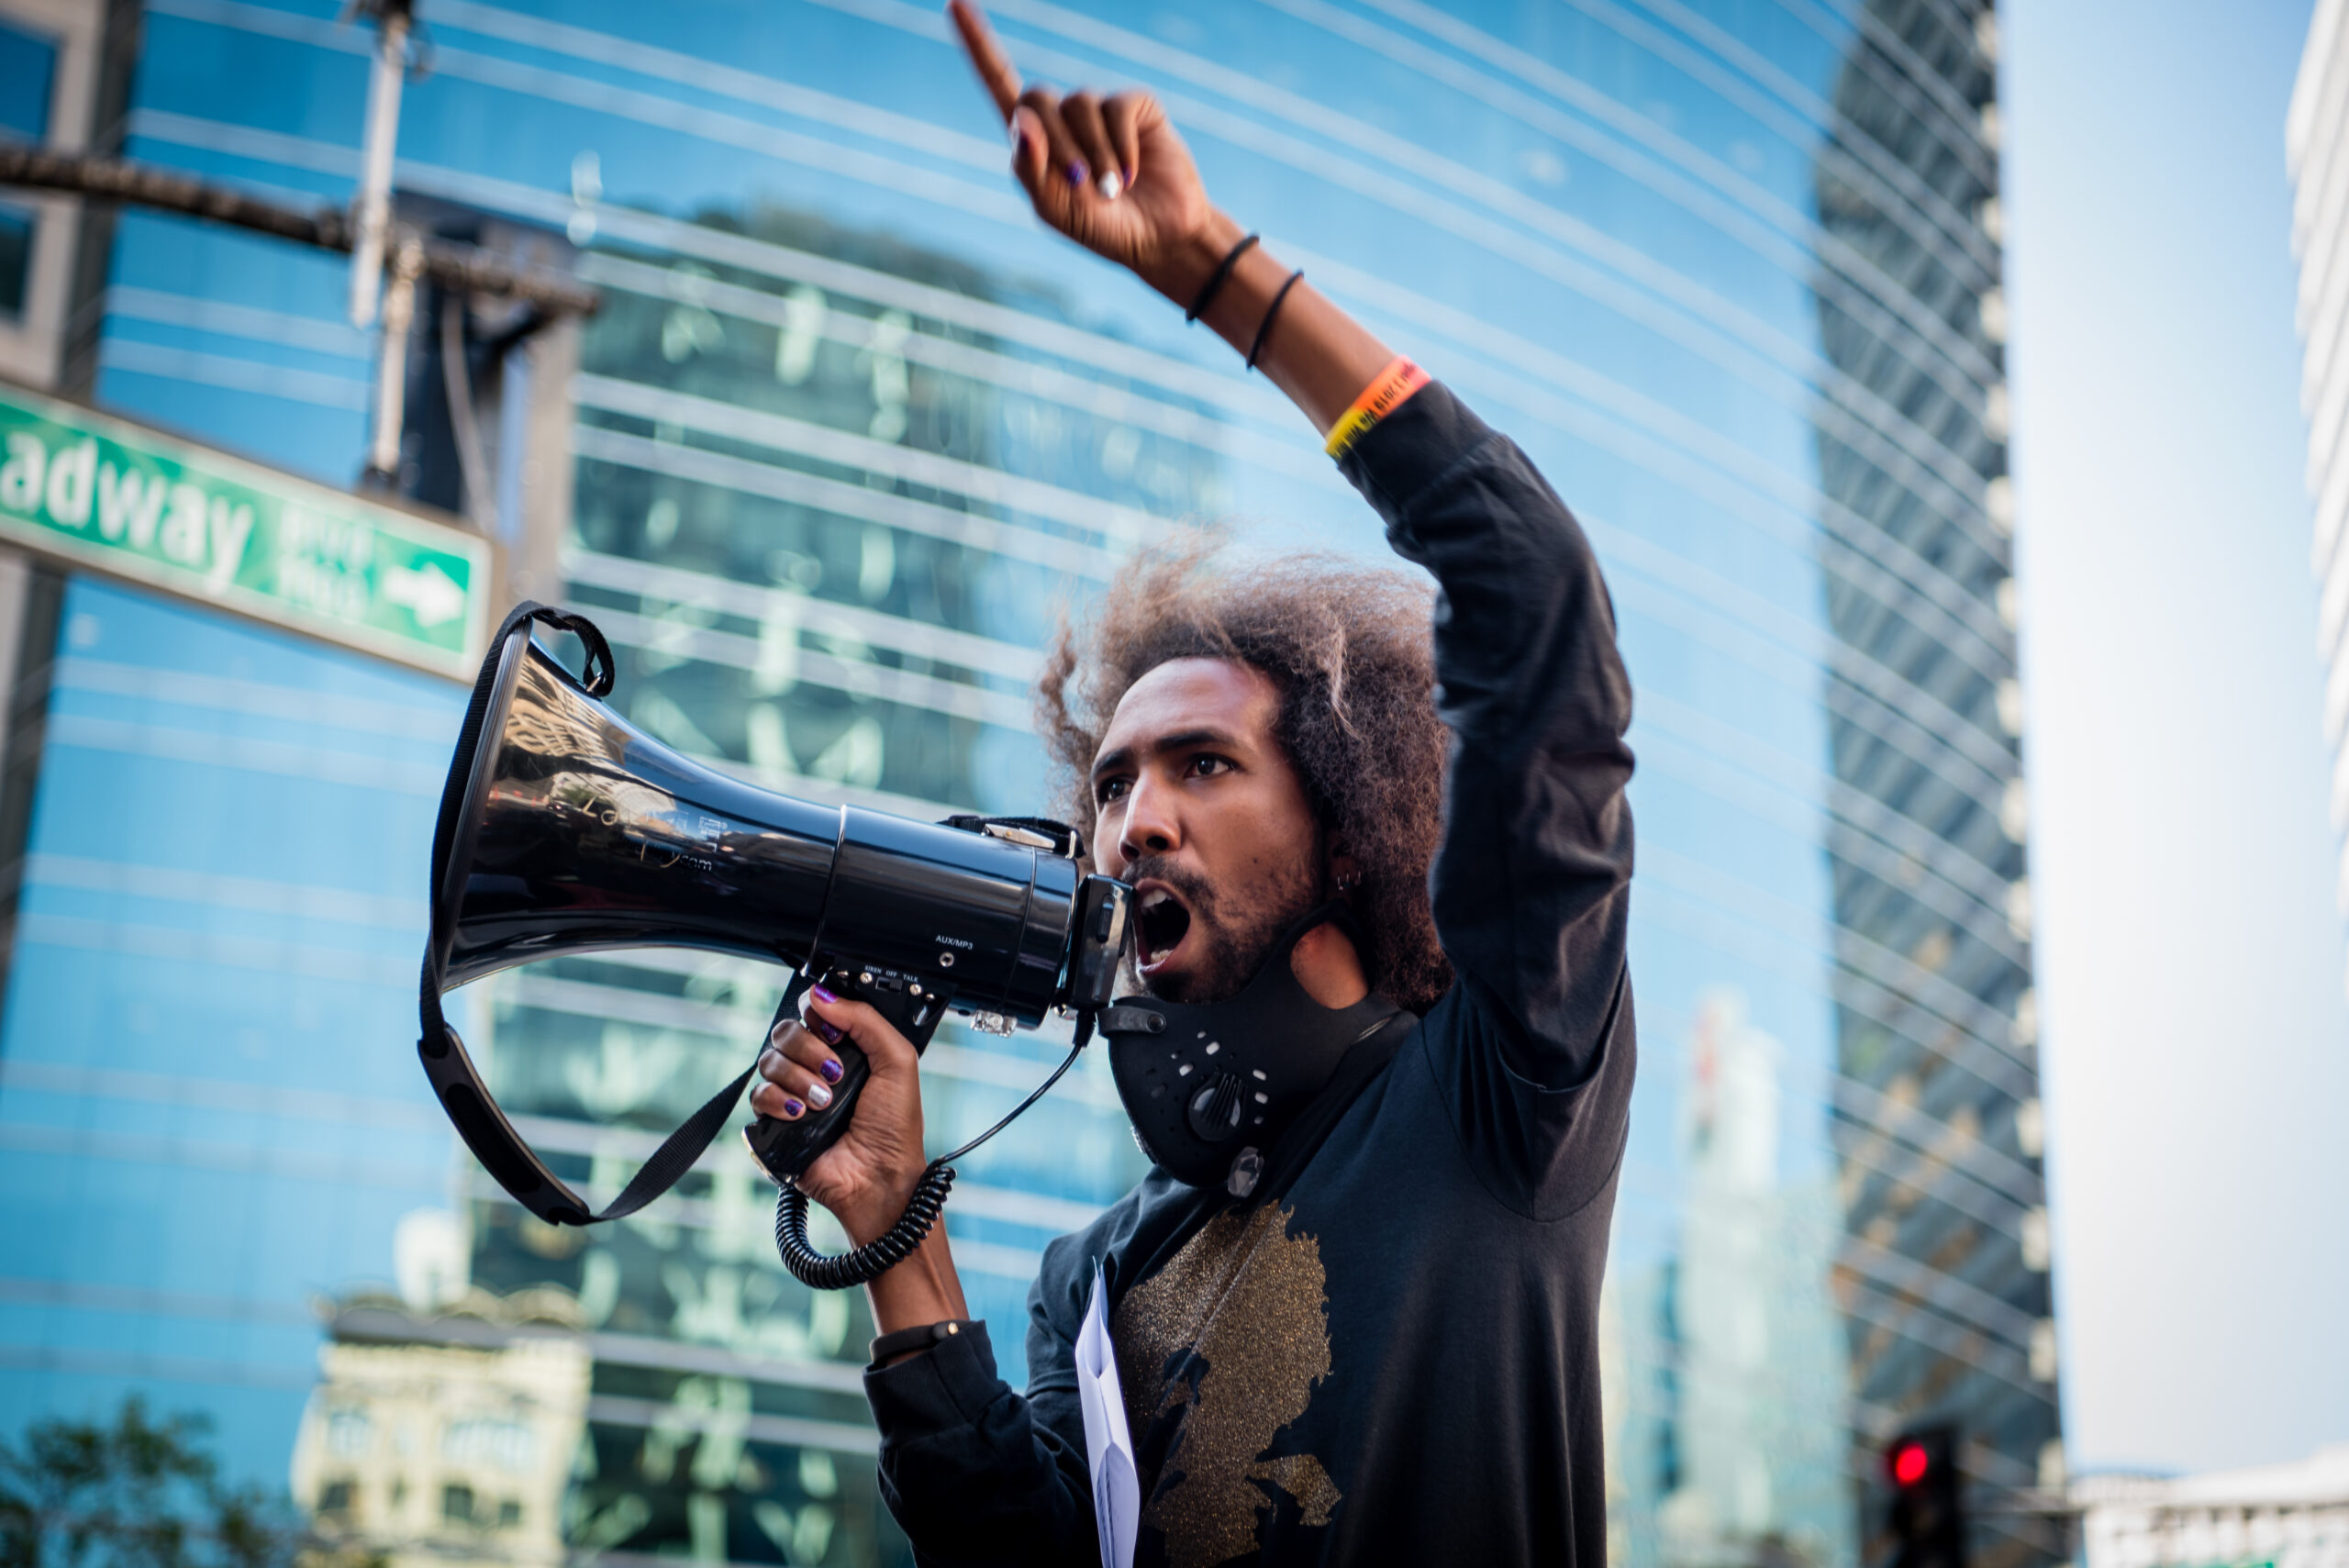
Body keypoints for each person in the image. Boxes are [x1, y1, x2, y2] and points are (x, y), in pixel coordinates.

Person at [751, 5, 1637, 1562]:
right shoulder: (1086, 1281)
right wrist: (897, 1226)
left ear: (1356, 816)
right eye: (1108, 782)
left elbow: (1535, 598)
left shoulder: (1503, 1090)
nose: (1131, 817)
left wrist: (1210, 270)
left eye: (1204, 763)